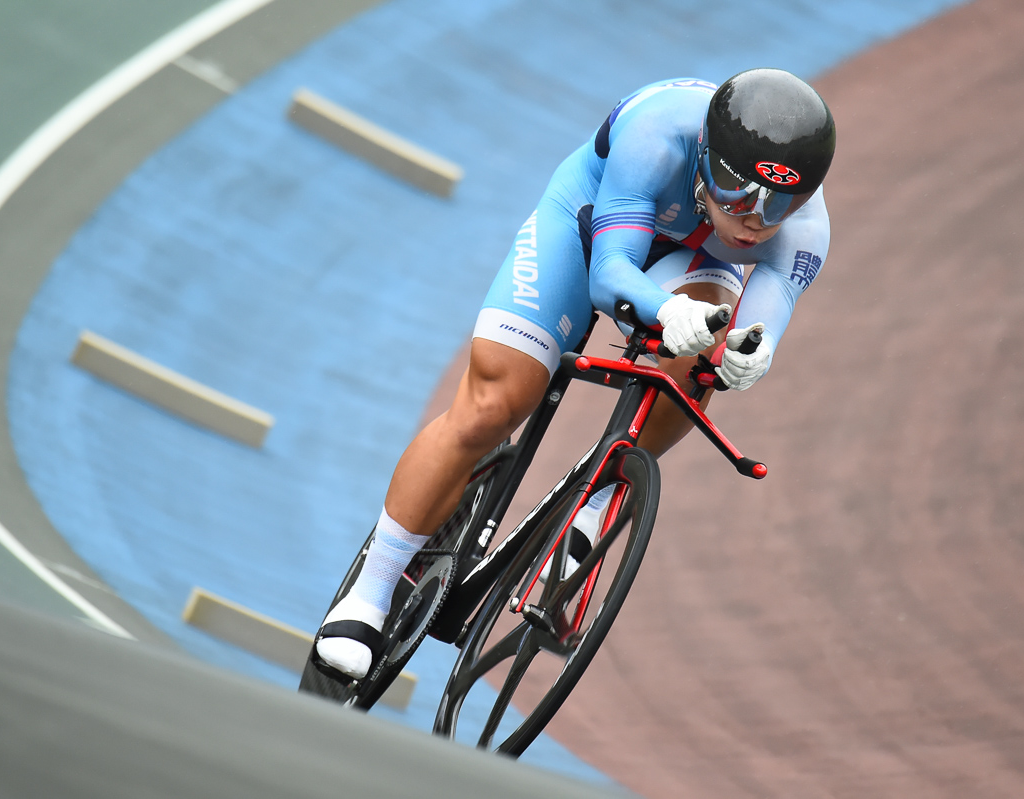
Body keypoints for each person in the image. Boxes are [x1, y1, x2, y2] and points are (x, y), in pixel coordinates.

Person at [312, 68, 836, 679]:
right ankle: (369, 594)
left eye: (778, 203)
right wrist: (665, 310)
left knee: (704, 354)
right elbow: (610, 272)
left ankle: (602, 497)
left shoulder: (804, 232)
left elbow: (764, 317)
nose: (752, 217)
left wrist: (752, 351)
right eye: (735, 189)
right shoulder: (657, 139)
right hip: (592, 218)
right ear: (706, 157)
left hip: (695, 259)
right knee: (492, 406)